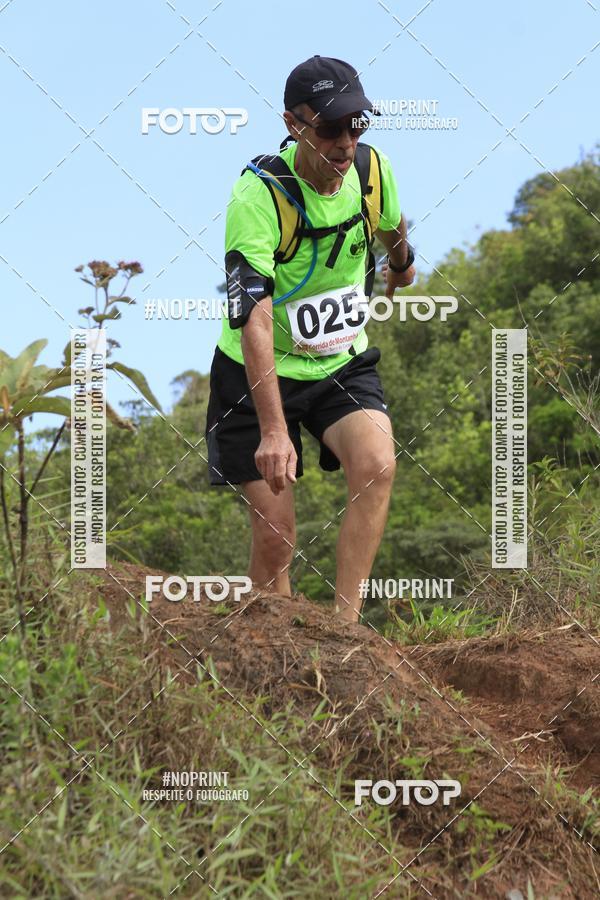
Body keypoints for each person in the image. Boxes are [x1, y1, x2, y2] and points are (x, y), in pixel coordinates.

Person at [205, 55, 415, 623]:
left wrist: (402, 262)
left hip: (336, 365)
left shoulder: (372, 172)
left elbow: (393, 222)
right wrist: (274, 431)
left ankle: (346, 632)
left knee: (377, 463)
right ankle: (267, 662)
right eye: (329, 128)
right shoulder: (258, 196)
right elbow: (253, 315)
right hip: (256, 374)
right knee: (278, 541)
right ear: (294, 125)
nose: (346, 142)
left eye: (357, 125)